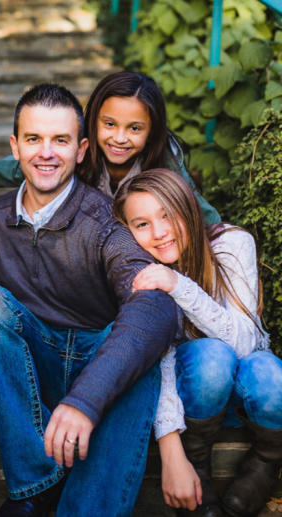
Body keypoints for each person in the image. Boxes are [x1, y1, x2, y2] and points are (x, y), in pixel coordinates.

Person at [0, 83, 179, 516]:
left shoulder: (105, 221)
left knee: (139, 351)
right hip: (29, 366)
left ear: (81, 150)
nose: (46, 152)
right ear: (14, 147)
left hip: (98, 364)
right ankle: (35, 486)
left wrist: (85, 400)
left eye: (60, 140)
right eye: (34, 139)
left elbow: (156, 308)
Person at [114, 168, 282, 517]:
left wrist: (179, 286)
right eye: (141, 224)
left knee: (269, 372)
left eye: (167, 215)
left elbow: (246, 341)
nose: (159, 233)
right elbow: (157, 363)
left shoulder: (232, 244)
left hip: (246, 397)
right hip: (191, 405)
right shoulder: (137, 270)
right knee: (210, 357)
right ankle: (198, 462)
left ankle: (267, 459)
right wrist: (173, 448)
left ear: (188, 208)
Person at [0, 71, 220, 225]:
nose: (119, 138)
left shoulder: (164, 159)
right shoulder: (74, 150)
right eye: (109, 124)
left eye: (135, 129)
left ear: (151, 132)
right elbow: (11, 169)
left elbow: (201, 212)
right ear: (93, 120)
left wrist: (225, 241)